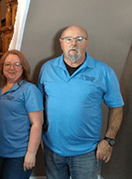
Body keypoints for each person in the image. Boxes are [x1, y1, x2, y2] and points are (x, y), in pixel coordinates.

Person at [38, 25, 124, 179]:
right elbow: (38, 105)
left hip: (87, 153)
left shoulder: (104, 71)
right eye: (68, 39)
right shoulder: (47, 69)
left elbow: (117, 106)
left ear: (86, 43)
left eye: (79, 39)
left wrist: (109, 140)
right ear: (61, 43)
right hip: (53, 149)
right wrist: (39, 136)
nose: (74, 43)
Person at [0, 50, 44, 179]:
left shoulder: (29, 90)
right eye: (8, 64)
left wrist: (31, 153)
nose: (12, 68)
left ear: (23, 68)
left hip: (19, 153)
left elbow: (37, 124)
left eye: (17, 64)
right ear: (2, 67)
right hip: (0, 151)